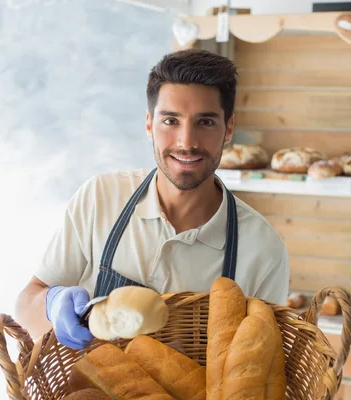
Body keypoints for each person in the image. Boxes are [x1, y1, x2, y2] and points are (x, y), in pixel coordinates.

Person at [15, 49, 289, 350]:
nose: (187, 142)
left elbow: (265, 361)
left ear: (229, 129)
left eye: (206, 122)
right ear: (149, 124)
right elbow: (27, 305)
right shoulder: (100, 198)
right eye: (171, 121)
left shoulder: (264, 250)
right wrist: (51, 305)